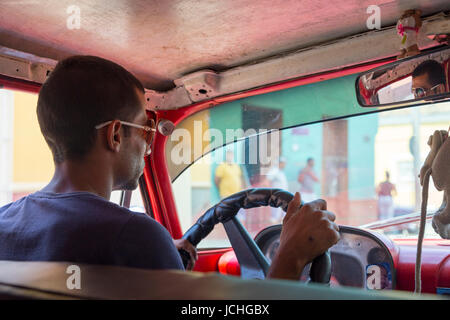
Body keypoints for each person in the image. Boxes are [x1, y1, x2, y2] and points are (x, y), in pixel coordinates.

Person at [0, 56, 340, 282]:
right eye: (146, 130)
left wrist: (162, 255)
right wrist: (291, 256)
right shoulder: (135, 238)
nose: (148, 145)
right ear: (116, 134)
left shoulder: (4, 223)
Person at [266, 157, 289, 223]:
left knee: (281, 216)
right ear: (279, 163)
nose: (284, 165)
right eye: (283, 163)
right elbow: (267, 181)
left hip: (283, 197)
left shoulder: (281, 172)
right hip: (277, 197)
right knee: (274, 217)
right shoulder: (274, 171)